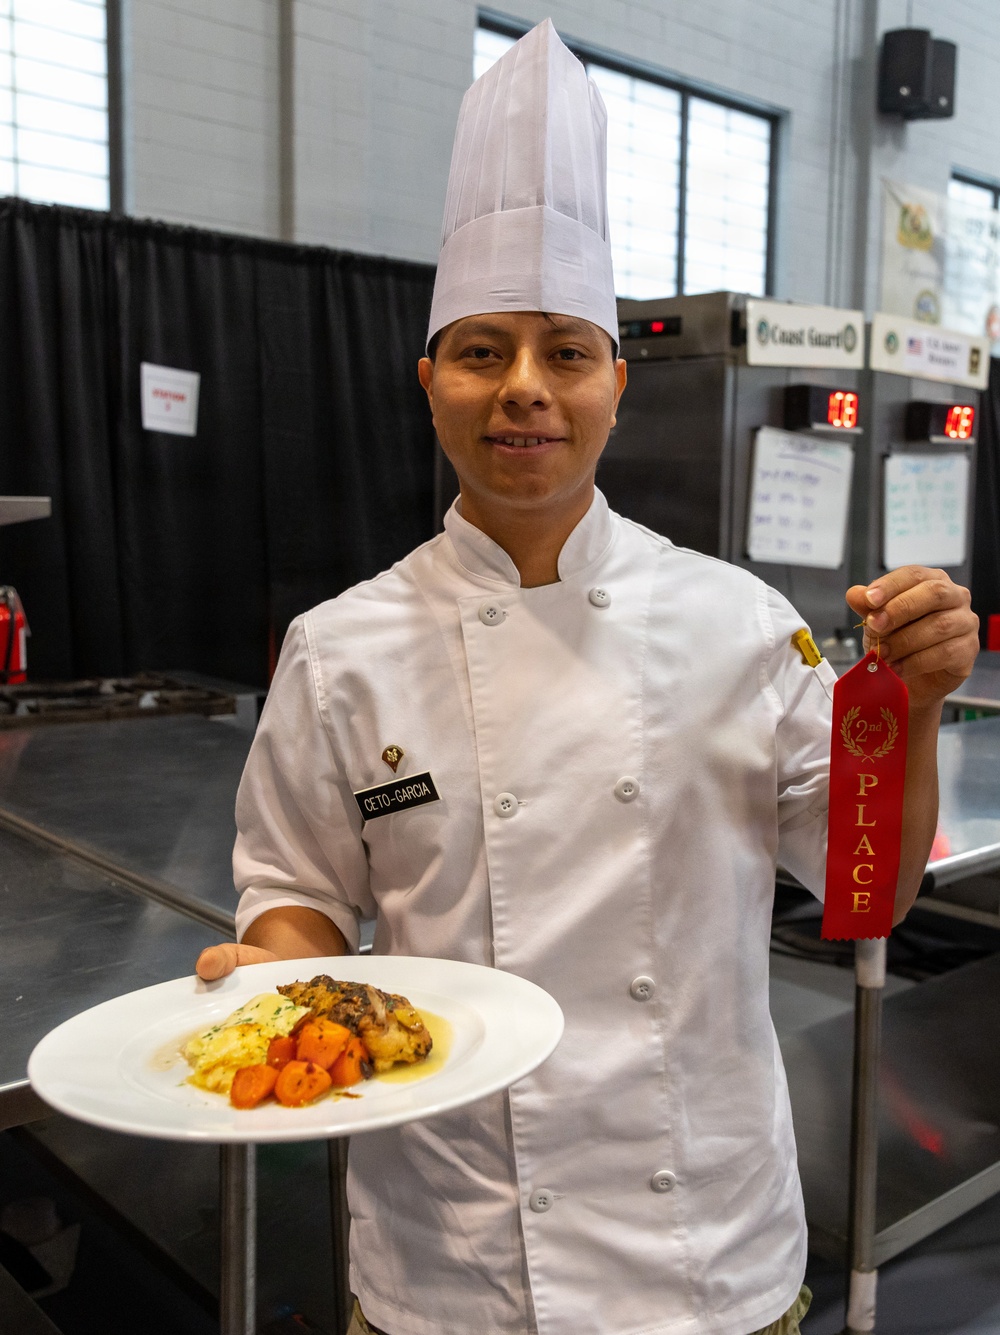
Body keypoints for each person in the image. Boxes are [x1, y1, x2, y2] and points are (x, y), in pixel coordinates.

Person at [196, 21, 979, 1335]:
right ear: (428, 379)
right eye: (482, 350)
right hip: (449, 1257)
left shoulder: (738, 623)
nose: (524, 391)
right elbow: (301, 906)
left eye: (564, 351)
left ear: (617, 381)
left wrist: (922, 705)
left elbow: (870, 897)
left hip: (707, 1251)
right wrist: (272, 987)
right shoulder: (341, 647)